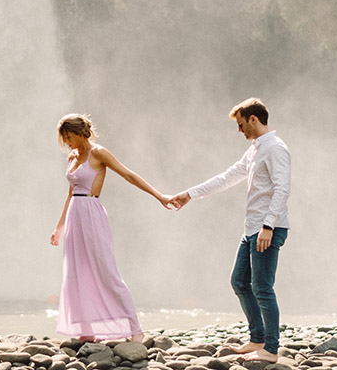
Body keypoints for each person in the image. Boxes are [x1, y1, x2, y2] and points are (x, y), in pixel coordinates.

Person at [170, 98, 291, 363]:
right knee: (239, 281)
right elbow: (227, 178)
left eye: (240, 124)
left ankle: (270, 349)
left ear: (253, 119)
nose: (239, 131)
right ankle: (257, 337)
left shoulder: (276, 149)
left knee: (262, 287)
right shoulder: (254, 150)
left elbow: (282, 188)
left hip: (267, 228)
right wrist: (189, 194)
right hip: (251, 229)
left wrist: (268, 226)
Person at [51, 113, 173, 343]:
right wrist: (59, 227)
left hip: (91, 212)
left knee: (107, 272)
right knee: (75, 273)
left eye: (69, 137)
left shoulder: (98, 153)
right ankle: (86, 330)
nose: (67, 142)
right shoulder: (72, 157)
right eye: (64, 138)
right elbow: (70, 194)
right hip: (75, 216)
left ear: (80, 133)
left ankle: (135, 329)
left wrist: (159, 196)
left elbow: (128, 175)